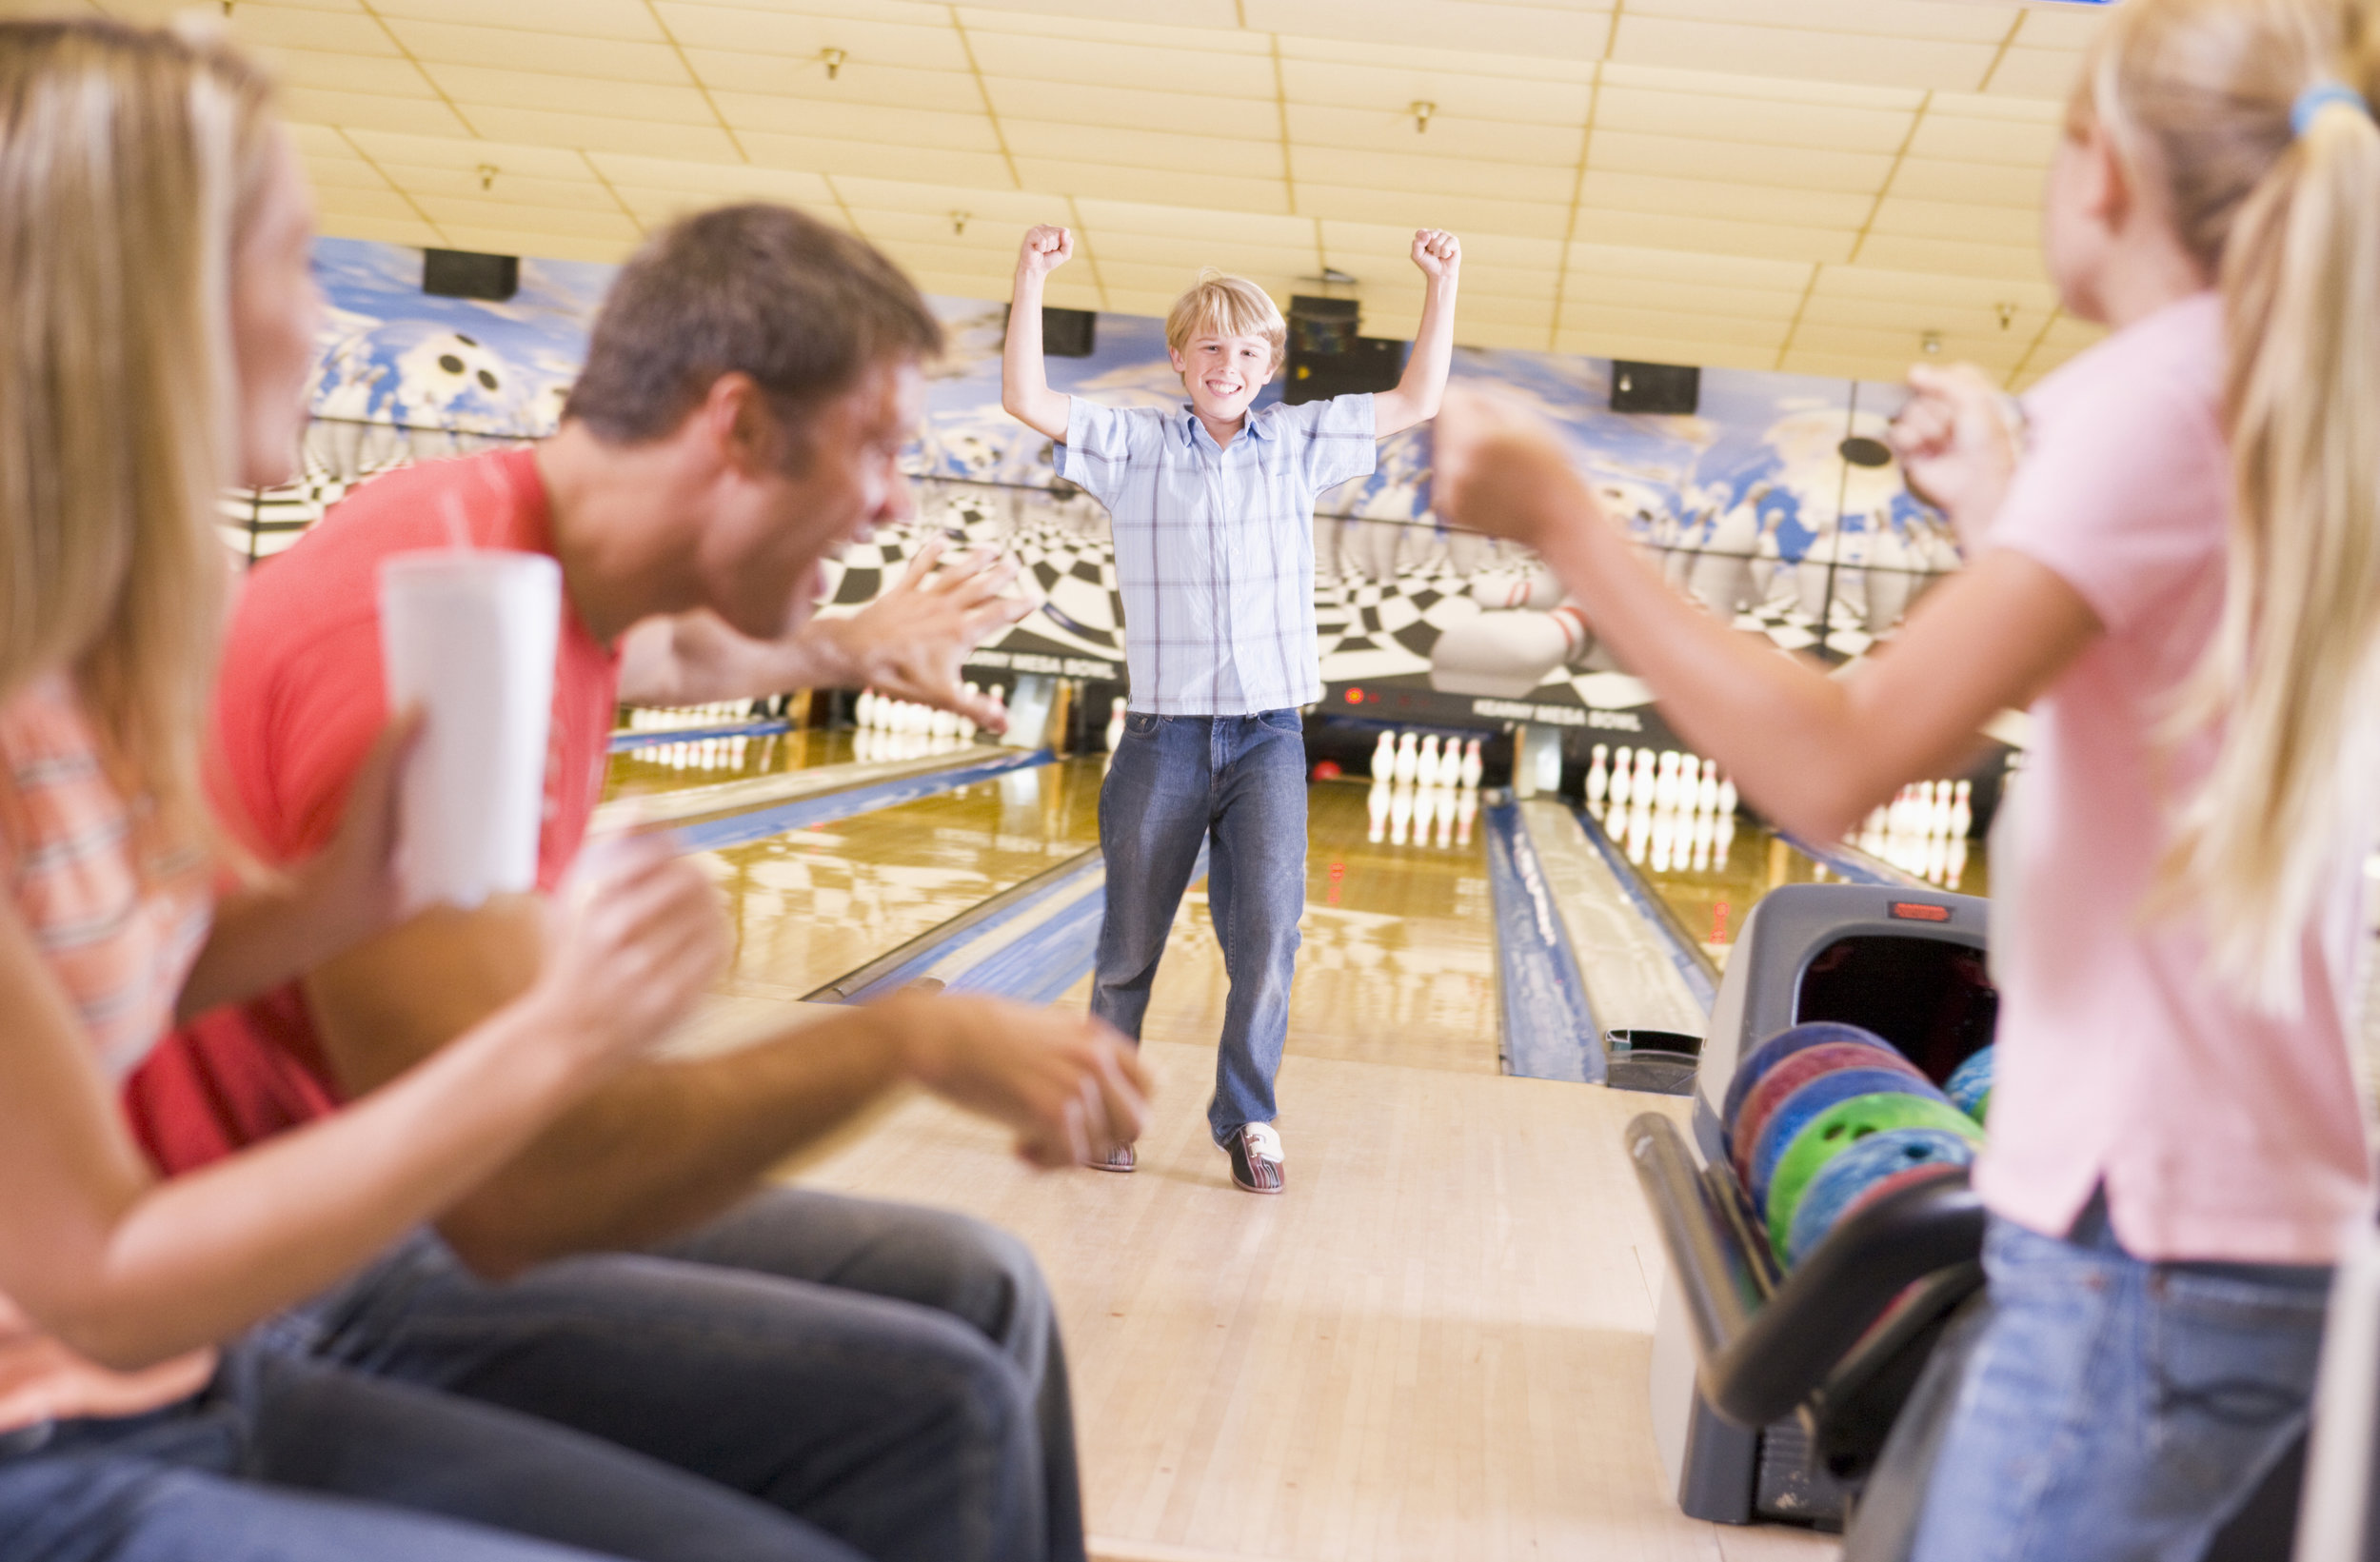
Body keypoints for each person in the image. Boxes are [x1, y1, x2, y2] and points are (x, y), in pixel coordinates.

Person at [1432, 0, 2379, 1553]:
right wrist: (2011, 520)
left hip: (2139, 1247)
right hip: (2218, 1222)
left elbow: (1832, 766)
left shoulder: (2147, 405)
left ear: (2110, 174)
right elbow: (2167, 705)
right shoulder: (2264, 391)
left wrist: (1570, 527)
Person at [123, 195, 1149, 1562]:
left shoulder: (518, 546)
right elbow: (518, 1191)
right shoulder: (428, 659)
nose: (903, 495)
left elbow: (670, 653)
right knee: (941, 1406)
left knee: (988, 1290)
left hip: (362, 1197)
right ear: (735, 425)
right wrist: (903, 1037)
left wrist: (842, 648)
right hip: (292, 1258)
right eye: (878, 447)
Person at [0, 20, 873, 1561]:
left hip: (158, 1378)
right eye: (288, 261)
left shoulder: (90, 642)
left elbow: (108, 979)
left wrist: (332, 904)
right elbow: (102, 1269)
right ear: (130, 306)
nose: (317, 313)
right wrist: (555, 1040)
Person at [1002, 226, 1462, 1193]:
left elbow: (1417, 398)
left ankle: (1248, 1116)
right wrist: (1032, 276)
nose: (1228, 364)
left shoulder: (1297, 443)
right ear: (1179, 357)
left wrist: (1440, 283)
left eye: (1248, 350)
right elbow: (1027, 400)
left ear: (1269, 365)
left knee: (1267, 939)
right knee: (1129, 944)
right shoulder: (1130, 444)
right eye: (1209, 346)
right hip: (1163, 734)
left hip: (1267, 738)